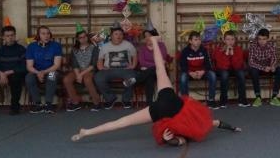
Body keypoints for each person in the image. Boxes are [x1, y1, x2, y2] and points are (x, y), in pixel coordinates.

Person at [71, 35, 241, 145]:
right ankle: (87, 132)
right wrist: (169, 140)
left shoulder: (197, 126)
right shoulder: (193, 128)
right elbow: (180, 140)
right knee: (122, 122)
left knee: (159, 68)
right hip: (162, 108)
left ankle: (154, 42)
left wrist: (233, 128)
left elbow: (216, 124)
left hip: (166, 103)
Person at [95, 24, 138, 110]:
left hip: (125, 70)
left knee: (132, 78)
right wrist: (100, 67)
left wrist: (133, 65)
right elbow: (100, 59)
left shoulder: (128, 45)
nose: (119, 36)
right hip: (108, 70)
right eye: (116, 34)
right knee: (98, 78)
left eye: (120, 34)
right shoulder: (105, 46)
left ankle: (126, 99)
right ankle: (110, 98)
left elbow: (135, 56)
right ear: (111, 36)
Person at [25, 25, 64, 114]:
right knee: (29, 77)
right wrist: (38, 73)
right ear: (38, 35)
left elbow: (57, 65)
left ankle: (48, 104)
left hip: (51, 70)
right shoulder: (31, 47)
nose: (46, 36)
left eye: (48, 33)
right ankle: (37, 104)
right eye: (43, 34)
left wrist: (43, 72)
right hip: (36, 72)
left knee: (52, 76)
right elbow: (29, 66)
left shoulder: (56, 46)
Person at [62, 28, 101, 112]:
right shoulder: (74, 49)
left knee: (87, 80)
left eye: (85, 37)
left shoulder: (94, 48)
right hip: (77, 70)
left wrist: (81, 75)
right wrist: (78, 74)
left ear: (87, 37)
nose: (83, 39)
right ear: (77, 39)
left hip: (89, 70)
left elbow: (93, 65)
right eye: (81, 37)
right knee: (66, 79)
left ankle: (96, 102)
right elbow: (74, 64)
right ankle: (75, 101)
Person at [178, 30, 217, 108]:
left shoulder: (204, 50)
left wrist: (203, 71)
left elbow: (208, 65)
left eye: (199, 39)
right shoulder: (185, 51)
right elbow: (182, 66)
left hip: (202, 72)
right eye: (195, 39)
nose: (198, 41)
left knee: (212, 75)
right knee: (182, 78)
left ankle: (211, 100)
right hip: (190, 72)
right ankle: (185, 102)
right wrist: (190, 72)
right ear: (190, 41)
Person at [247, 28, 280, 107]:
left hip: (269, 67)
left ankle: (274, 97)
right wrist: (263, 68)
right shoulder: (253, 46)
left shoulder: (271, 46)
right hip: (257, 68)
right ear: (257, 38)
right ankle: (258, 97)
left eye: (264, 39)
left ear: (268, 39)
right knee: (253, 71)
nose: (261, 41)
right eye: (259, 39)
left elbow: (274, 58)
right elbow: (251, 62)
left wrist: (272, 66)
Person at [134, 25, 170, 106]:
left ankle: (137, 79)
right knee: (149, 77)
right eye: (146, 36)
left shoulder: (161, 45)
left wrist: (150, 66)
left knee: (149, 72)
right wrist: (156, 64)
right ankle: (149, 103)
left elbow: (161, 60)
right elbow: (142, 62)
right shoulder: (142, 48)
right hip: (149, 72)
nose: (147, 38)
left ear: (154, 36)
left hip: (160, 71)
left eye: (149, 35)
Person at [213, 30, 249, 108]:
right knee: (224, 74)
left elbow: (238, 66)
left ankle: (242, 100)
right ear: (224, 40)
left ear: (235, 40)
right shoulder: (219, 49)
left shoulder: (238, 49)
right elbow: (222, 66)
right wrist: (226, 53)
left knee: (241, 74)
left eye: (232, 39)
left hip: (234, 68)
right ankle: (223, 101)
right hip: (222, 69)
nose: (230, 42)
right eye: (228, 39)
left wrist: (232, 53)